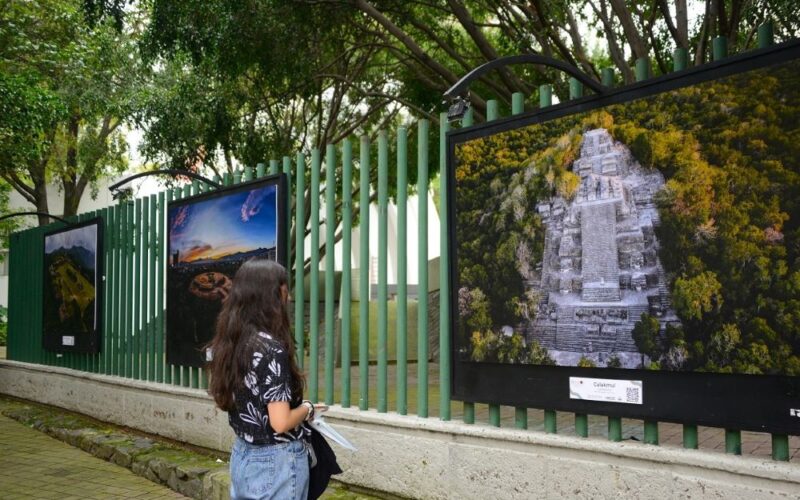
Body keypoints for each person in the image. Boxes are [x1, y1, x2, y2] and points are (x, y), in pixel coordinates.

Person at [206, 259, 324, 500]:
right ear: (269, 294)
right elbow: (280, 423)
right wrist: (308, 408)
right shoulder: (271, 350)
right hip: (277, 460)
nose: (288, 297)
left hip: (243, 454)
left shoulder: (228, 344)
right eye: (284, 288)